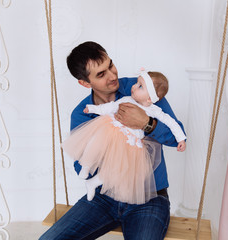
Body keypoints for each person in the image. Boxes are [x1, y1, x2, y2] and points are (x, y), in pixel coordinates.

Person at [39, 41, 185, 240]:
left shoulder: (143, 88)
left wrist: (146, 123)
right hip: (104, 197)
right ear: (84, 83)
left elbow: (176, 137)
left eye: (110, 65)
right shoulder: (82, 114)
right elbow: (80, 165)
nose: (112, 75)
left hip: (149, 197)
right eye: (101, 74)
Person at [61, 70, 186, 204]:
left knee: (120, 169)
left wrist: (180, 139)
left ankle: (93, 182)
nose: (134, 86)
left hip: (130, 143)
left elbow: (172, 123)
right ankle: (86, 165)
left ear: (150, 98)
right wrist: (92, 109)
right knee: (96, 140)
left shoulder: (155, 110)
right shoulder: (127, 99)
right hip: (112, 130)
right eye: (101, 74)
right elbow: (110, 107)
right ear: (85, 83)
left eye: (140, 86)